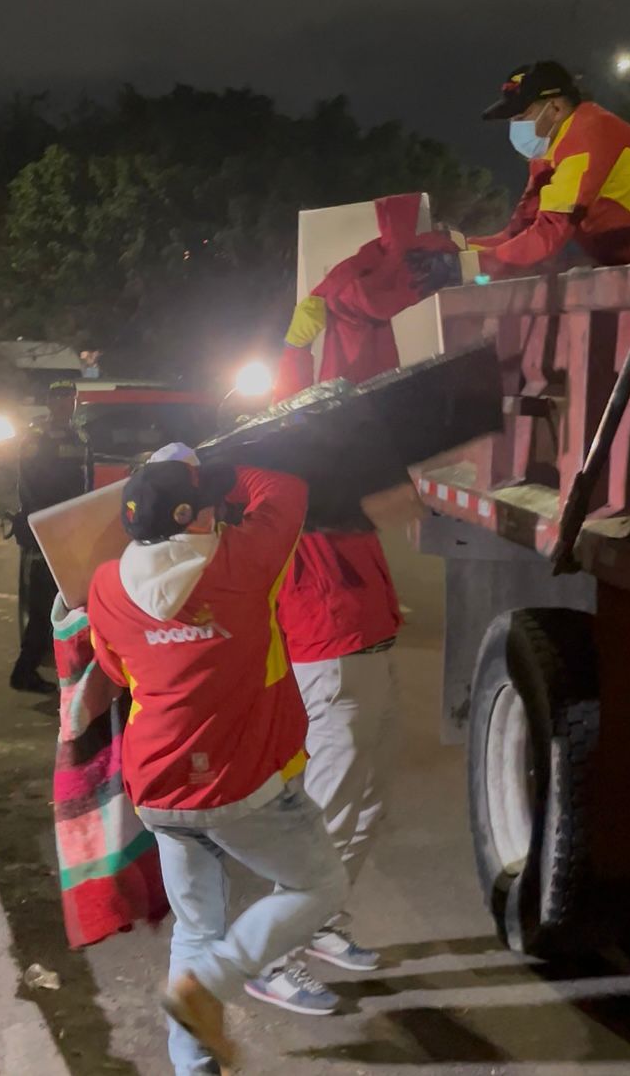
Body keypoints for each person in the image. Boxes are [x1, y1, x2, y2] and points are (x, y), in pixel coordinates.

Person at [86, 449, 346, 1075]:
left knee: (196, 931)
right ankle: (211, 986)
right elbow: (286, 482)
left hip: (156, 787)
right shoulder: (242, 561)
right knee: (318, 886)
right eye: (213, 504)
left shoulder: (105, 584)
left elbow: (117, 672)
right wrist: (232, 455)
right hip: (236, 785)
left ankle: (194, 1062)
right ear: (197, 518)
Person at [248, 195, 445, 1014]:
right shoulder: (283, 481)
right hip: (328, 653)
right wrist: (307, 341)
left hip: (363, 645)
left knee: (365, 801)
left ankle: (321, 921)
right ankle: (272, 955)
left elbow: (341, 416)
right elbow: (305, 416)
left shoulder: (330, 472)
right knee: (329, 805)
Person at [467, 60, 630, 278]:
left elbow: (548, 234)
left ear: (556, 109)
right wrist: (458, 247)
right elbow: (519, 232)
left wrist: (466, 267)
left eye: (521, 117)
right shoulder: (548, 154)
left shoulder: (586, 135)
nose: (515, 127)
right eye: (512, 120)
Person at [9, 380, 85, 694]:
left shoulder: (79, 437)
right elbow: (27, 485)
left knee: (62, 602)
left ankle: (52, 665)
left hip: (69, 528)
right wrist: (45, 521)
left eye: (71, 398)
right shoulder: (36, 438)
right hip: (45, 529)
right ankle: (24, 670)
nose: (67, 403)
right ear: (50, 402)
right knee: (41, 603)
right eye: (60, 398)